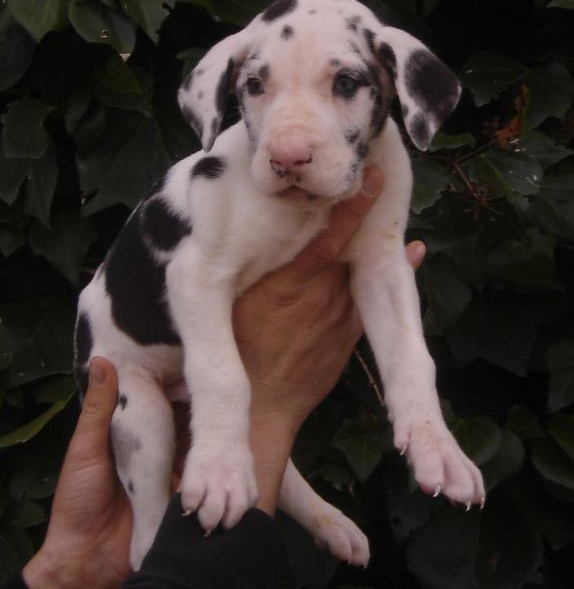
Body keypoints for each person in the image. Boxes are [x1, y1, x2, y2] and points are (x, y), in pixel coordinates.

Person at [4, 167, 426, 589]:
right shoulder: (225, 178)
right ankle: (146, 544)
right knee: (191, 434)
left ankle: (303, 503)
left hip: (185, 342)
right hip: (130, 361)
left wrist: (64, 569)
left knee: (231, 416)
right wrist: (272, 408)